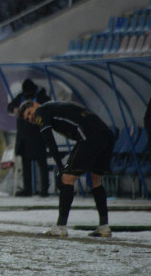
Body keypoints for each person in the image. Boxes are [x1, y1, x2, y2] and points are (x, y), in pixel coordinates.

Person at [19, 100, 115, 238]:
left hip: (90, 135)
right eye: (28, 119)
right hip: (106, 135)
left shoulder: (41, 111)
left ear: (35, 105)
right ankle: (104, 227)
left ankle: (61, 227)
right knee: (96, 179)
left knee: (67, 178)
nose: (31, 118)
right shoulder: (55, 106)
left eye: (29, 113)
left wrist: (60, 168)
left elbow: (49, 140)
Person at [6, 79, 51, 197]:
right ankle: (28, 189)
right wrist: (14, 109)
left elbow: (48, 107)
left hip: (38, 135)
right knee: (26, 164)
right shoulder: (21, 97)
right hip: (24, 136)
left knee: (42, 163)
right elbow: (10, 106)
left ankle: (44, 189)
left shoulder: (41, 97)